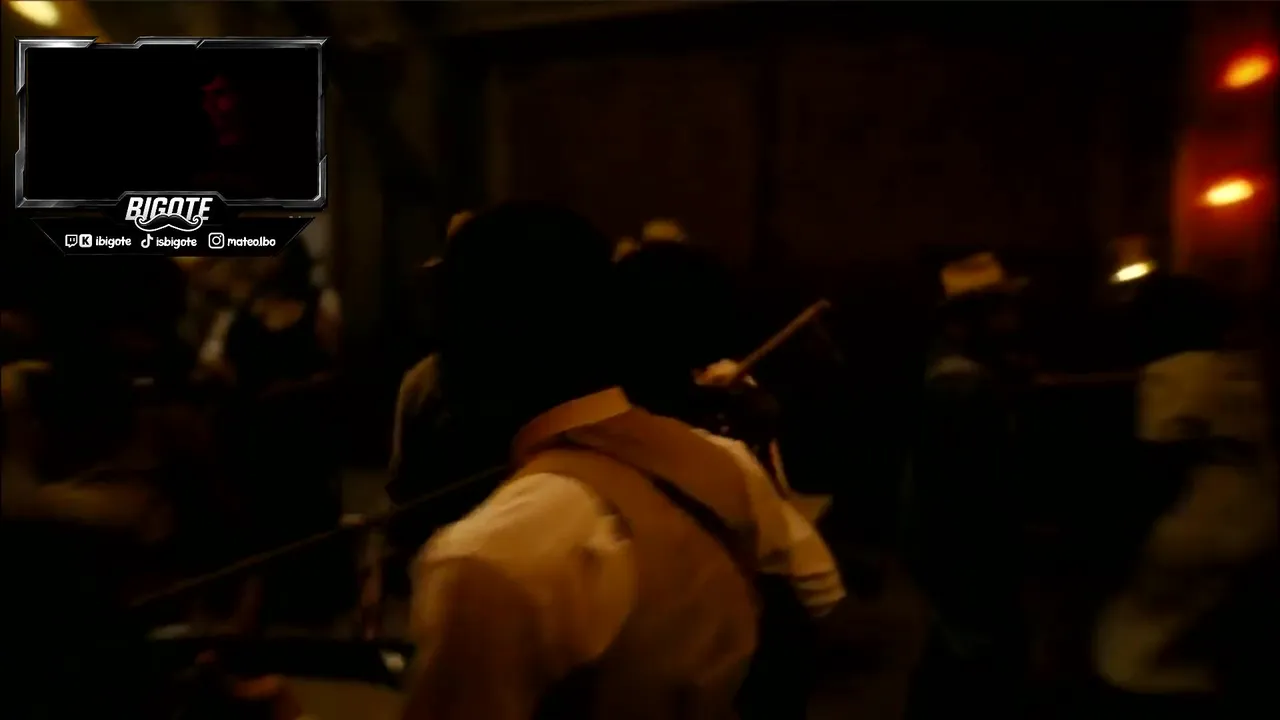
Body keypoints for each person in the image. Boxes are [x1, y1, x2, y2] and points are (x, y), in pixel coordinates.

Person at [401, 202, 842, 720]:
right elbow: (815, 598)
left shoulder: (487, 559)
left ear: (478, 337)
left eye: (446, 321)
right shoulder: (727, 462)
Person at [1090, 275, 1277, 719]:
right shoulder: (1250, 370)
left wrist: (1117, 540)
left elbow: (1159, 465)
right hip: (1256, 513)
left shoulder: (1176, 373)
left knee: (1140, 647)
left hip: (1193, 524)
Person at [903, 251, 1032, 719]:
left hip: (955, 554)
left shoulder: (959, 371)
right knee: (970, 666)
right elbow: (972, 491)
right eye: (1000, 308)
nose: (1013, 319)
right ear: (966, 320)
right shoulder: (961, 385)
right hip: (967, 556)